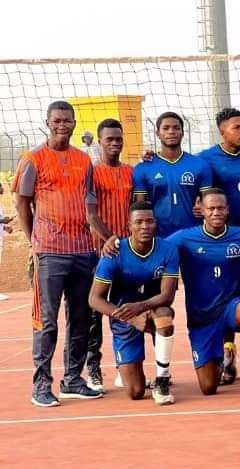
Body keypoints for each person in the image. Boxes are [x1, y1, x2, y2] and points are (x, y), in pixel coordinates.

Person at [15, 100, 102, 407]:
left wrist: (99, 237)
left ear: (75, 123)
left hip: (81, 251)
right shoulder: (33, 158)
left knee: (81, 317)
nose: (62, 125)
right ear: (47, 122)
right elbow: (22, 203)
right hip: (49, 253)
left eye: (67, 120)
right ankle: (41, 385)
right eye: (57, 120)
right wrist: (33, 241)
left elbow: (90, 205)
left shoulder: (83, 160)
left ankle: (73, 380)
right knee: (47, 320)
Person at [167, 188, 240, 397]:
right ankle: (221, 358)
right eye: (211, 208)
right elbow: (155, 248)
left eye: (221, 208)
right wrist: (115, 244)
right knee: (208, 387)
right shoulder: (184, 238)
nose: (216, 212)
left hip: (231, 307)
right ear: (201, 210)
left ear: (228, 210)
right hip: (202, 318)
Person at [196, 108, 240, 385]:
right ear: (222, 131)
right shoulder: (206, 160)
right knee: (224, 297)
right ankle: (227, 354)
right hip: (222, 241)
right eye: (236, 127)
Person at [89, 202, 179, 404]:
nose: (144, 226)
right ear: (129, 226)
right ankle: (129, 370)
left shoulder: (168, 249)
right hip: (124, 316)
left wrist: (140, 308)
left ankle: (162, 378)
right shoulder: (113, 253)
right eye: (138, 222)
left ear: (155, 223)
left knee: (165, 314)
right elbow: (94, 299)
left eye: (149, 221)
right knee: (135, 392)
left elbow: (167, 296)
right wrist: (131, 319)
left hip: (152, 307)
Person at [84, 118, 134, 392]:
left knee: (124, 309)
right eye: (109, 139)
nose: (114, 143)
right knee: (95, 314)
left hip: (126, 253)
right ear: (101, 142)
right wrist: (108, 239)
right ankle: (93, 369)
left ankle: (122, 365)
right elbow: (90, 215)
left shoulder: (131, 172)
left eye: (118, 139)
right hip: (98, 251)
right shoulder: (91, 173)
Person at [132, 112, 212, 238]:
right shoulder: (143, 168)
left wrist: (203, 206)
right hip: (158, 237)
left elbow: (209, 201)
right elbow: (140, 207)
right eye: (166, 128)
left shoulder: (200, 165)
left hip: (193, 236)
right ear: (157, 133)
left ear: (182, 132)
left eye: (176, 128)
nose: (171, 131)